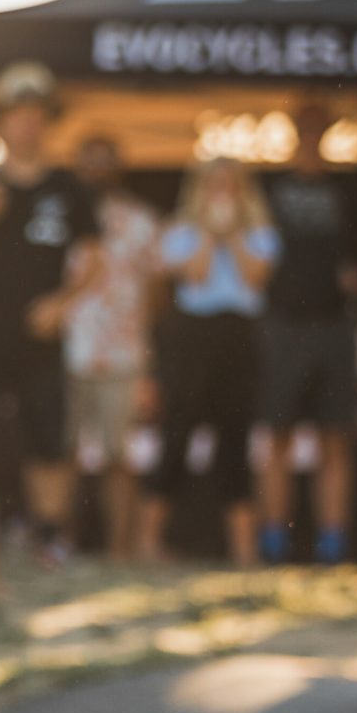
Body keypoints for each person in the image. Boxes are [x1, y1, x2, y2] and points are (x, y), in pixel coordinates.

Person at [0, 61, 102, 566]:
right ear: (1, 121)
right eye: (17, 114)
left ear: (48, 121)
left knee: (49, 436)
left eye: (37, 114)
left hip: (41, 335)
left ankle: (49, 537)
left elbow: (95, 260)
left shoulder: (68, 188)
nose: (28, 124)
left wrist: (62, 303)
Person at [141, 158, 280, 565]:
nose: (222, 192)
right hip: (194, 337)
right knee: (178, 431)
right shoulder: (181, 232)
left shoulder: (260, 232)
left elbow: (255, 277)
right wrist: (208, 231)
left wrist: (233, 234)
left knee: (235, 435)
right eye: (213, 185)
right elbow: (196, 275)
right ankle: (148, 542)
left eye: (230, 185)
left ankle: (243, 549)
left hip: (239, 337)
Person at [256, 102, 357, 565]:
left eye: (318, 128)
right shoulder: (268, 188)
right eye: (303, 128)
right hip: (283, 326)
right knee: (277, 435)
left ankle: (332, 544)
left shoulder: (348, 189)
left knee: (335, 437)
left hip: (334, 326)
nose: (310, 137)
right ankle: (273, 542)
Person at [63, 133, 160, 560]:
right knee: (63, 453)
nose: (97, 169)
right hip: (68, 349)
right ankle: (61, 545)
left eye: (106, 161)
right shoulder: (60, 213)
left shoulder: (142, 220)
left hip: (124, 353)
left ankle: (121, 548)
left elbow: (157, 290)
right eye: (90, 160)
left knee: (120, 456)